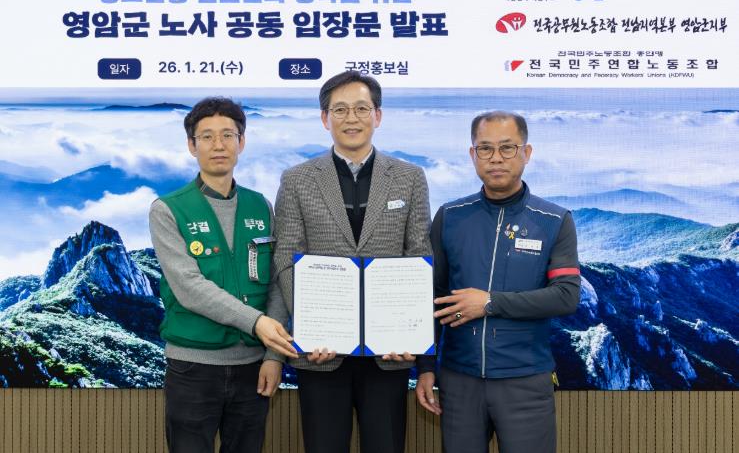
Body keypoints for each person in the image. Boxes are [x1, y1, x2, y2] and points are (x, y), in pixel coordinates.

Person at [273, 71, 432, 453]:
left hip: (388, 352)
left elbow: (418, 256)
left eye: (361, 108)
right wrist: (310, 327)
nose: (351, 118)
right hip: (321, 352)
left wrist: (408, 335)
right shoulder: (297, 180)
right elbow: (285, 257)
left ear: (378, 115)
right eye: (340, 110)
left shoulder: (409, 178)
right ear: (325, 118)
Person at [415, 111, 581, 453]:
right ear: (472, 154)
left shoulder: (554, 220)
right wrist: (426, 367)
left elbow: (566, 296)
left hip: (525, 380)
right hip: (459, 380)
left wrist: (490, 302)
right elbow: (431, 294)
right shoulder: (450, 216)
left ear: (526, 153)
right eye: (485, 148)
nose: (496, 158)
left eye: (507, 148)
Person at [149, 97, 298, 453]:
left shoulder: (260, 205)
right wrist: (257, 323)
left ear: (241, 142)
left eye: (228, 135)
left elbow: (277, 281)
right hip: (192, 366)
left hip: (253, 368)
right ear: (192, 145)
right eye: (207, 136)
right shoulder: (168, 209)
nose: (219, 145)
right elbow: (189, 287)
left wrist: (273, 356)